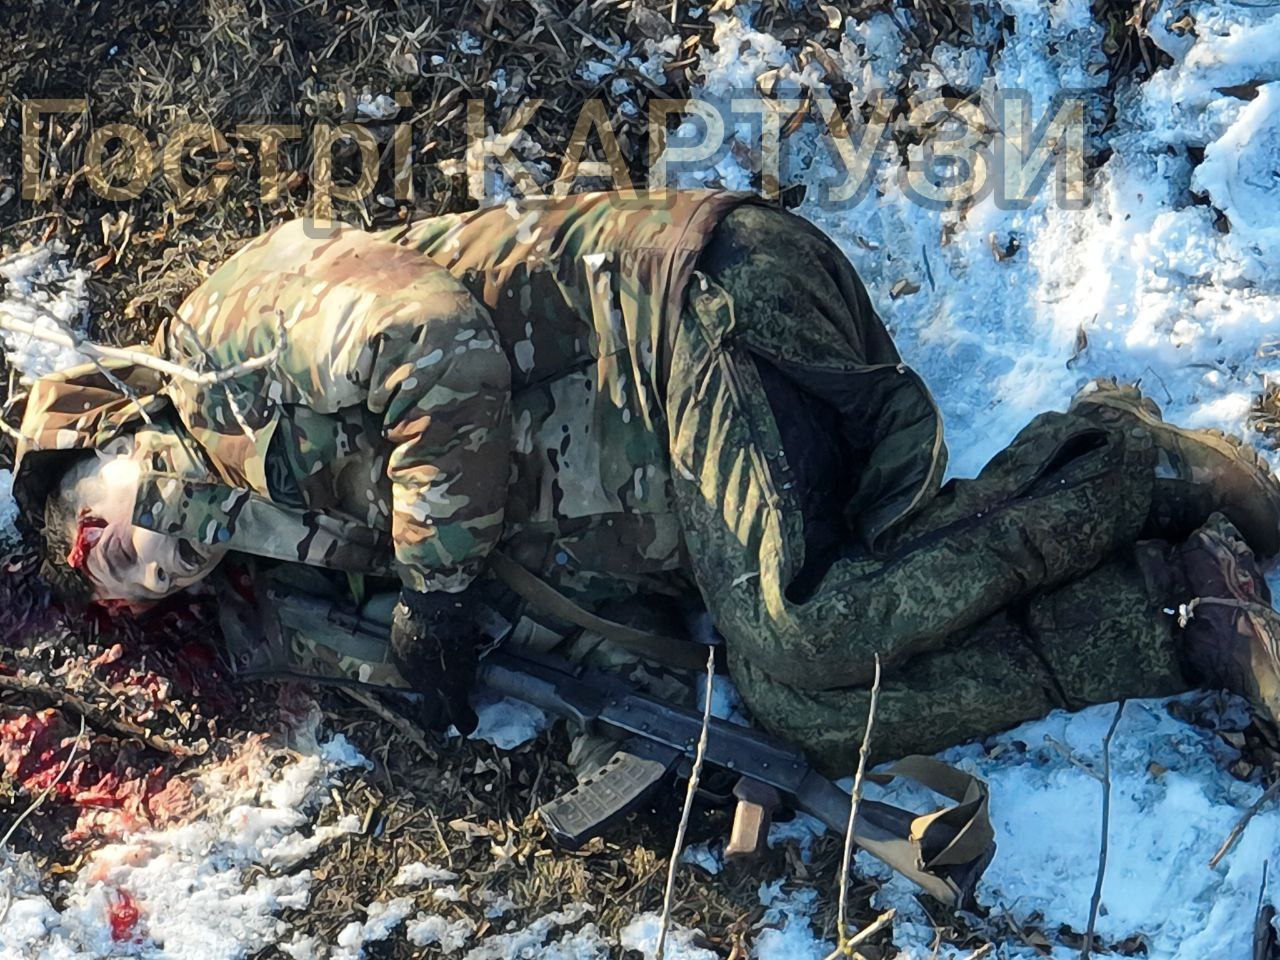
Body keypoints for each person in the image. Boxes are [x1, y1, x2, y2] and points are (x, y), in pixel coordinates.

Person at [11, 190, 1280, 775]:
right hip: (721, 443)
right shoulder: (307, 533)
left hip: (696, 305)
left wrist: (435, 590)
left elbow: (434, 339)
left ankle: (1128, 461)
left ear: (96, 440)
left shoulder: (221, 337)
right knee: (804, 710)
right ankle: (1170, 613)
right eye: (152, 585)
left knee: (806, 625)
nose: (143, 565)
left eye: (94, 538)